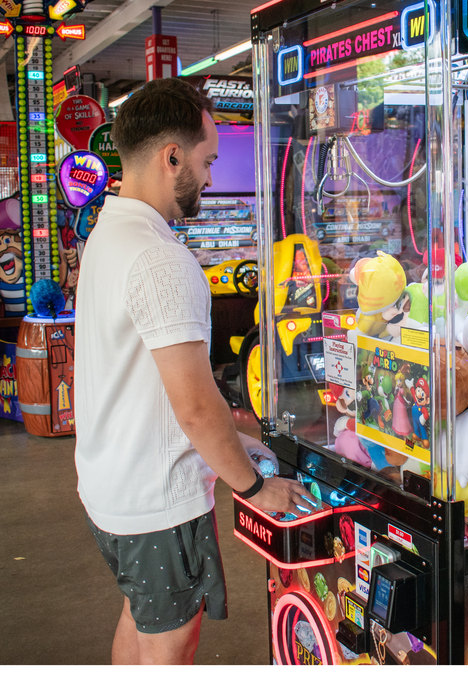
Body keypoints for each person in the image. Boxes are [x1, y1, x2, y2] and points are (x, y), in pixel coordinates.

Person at [74, 78, 315, 665]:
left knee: (141, 615)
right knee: (172, 644)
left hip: (110, 486)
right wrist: (256, 486)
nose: (209, 177)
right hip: (154, 501)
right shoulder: (162, 258)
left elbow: (146, 383)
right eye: (206, 161)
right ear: (171, 156)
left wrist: (238, 437)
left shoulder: (110, 231)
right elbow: (195, 405)